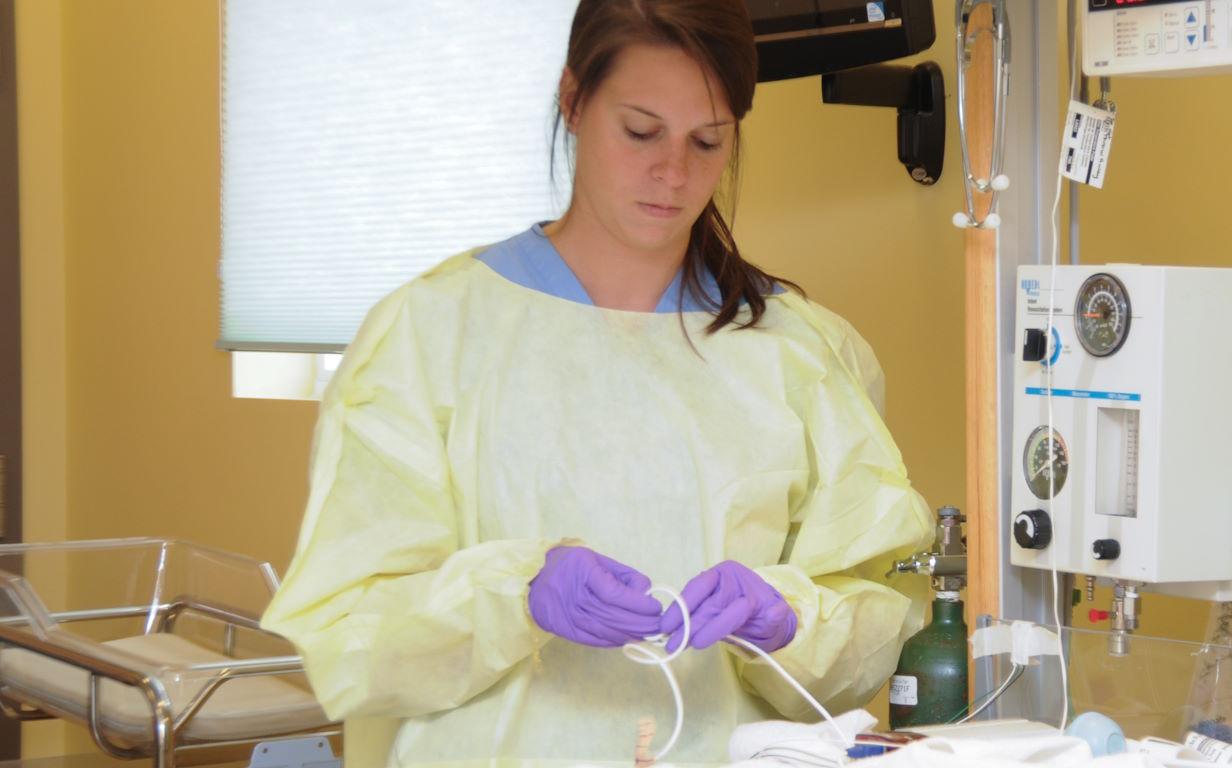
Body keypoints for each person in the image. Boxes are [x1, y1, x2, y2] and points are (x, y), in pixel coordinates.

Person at [258, 1, 936, 764]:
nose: (674, 173)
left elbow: (878, 617)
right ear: (573, 101)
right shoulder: (431, 335)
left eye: (706, 142)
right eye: (640, 132)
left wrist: (789, 620)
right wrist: (512, 596)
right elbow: (350, 632)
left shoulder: (799, 352)